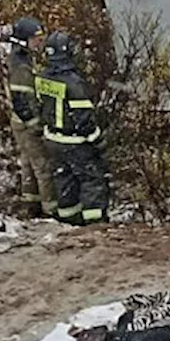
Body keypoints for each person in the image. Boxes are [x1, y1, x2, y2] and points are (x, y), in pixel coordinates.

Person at [36, 31, 109, 225]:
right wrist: (98, 141)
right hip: (74, 142)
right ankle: (95, 226)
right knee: (92, 180)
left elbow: (39, 106)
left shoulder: (42, 78)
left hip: (52, 139)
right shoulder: (75, 83)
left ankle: (69, 222)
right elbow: (84, 120)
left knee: (64, 180)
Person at [4, 16, 56, 217]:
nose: (40, 42)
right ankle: (50, 210)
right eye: (36, 38)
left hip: (21, 123)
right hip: (25, 124)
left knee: (28, 164)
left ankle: (31, 205)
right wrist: (35, 125)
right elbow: (20, 100)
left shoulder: (23, 58)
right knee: (43, 167)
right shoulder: (20, 65)